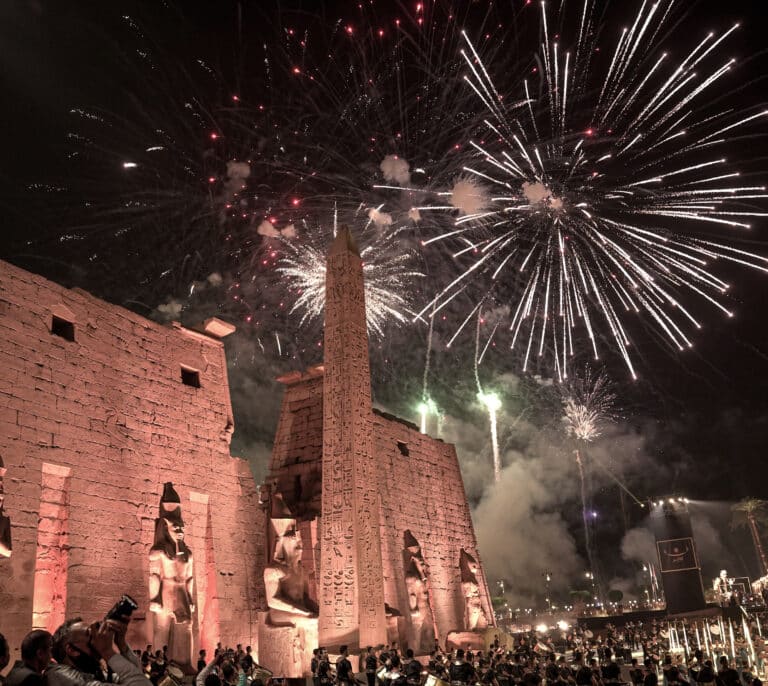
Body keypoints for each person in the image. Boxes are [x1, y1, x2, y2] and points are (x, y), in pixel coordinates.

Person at [45, 616, 145, 686]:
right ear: (72, 650)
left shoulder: (90, 672)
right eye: (90, 635)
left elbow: (137, 678)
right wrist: (108, 652)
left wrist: (121, 643)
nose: (97, 640)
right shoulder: (61, 677)